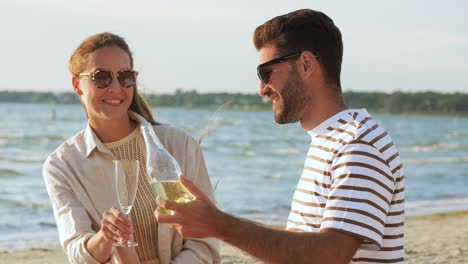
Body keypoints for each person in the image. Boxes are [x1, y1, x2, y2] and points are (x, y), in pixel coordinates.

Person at [155, 9, 405, 264]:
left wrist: (220, 225)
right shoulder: (332, 140)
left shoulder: (357, 145)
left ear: (306, 64)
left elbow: (330, 255)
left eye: (266, 73)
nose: (262, 89)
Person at [43, 32, 220, 264]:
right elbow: (78, 253)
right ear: (77, 85)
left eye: (125, 76)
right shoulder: (62, 166)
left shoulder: (180, 146)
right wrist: (105, 236)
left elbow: (204, 242)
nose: (116, 87)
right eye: (102, 77)